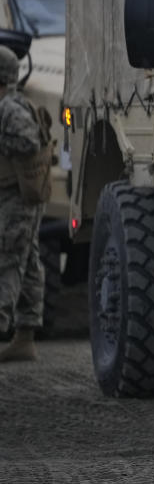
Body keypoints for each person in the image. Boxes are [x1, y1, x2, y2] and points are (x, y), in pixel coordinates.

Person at [0, 45, 47, 362]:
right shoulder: (13, 104)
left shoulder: (10, 109)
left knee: (6, 260)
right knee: (27, 261)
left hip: (16, 197)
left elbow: (28, 142)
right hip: (22, 196)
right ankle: (25, 337)